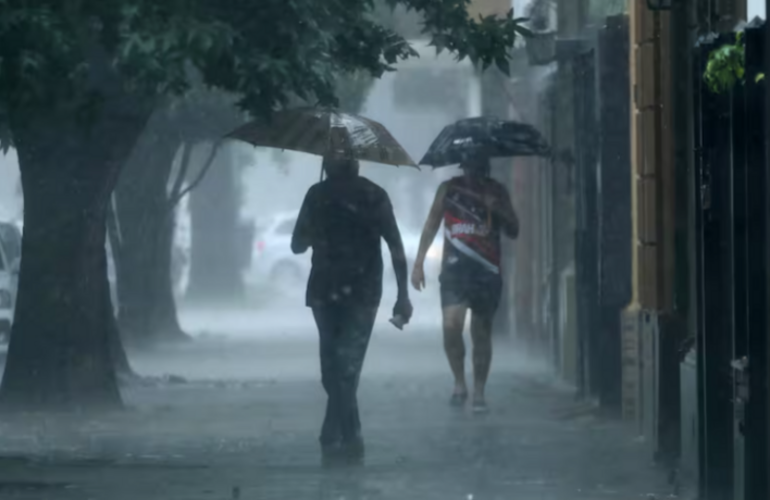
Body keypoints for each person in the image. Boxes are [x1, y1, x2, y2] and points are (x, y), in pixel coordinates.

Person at [291, 157, 413, 462]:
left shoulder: (326, 195)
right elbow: (395, 247)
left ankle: (339, 432)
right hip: (352, 292)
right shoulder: (361, 196)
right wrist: (402, 294)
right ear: (355, 163)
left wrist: (403, 295)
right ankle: (347, 428)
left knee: (335, 368)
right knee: (343, 368)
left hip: (341, 292)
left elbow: (297, 244)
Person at [411, 157, 518, 413]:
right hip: (454, 271)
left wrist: (499, 210)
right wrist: (419, 263)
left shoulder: (497, 191)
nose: (474, 170)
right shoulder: (448, 189)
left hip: (486, 271)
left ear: (486, 166)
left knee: (481, 333)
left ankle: (479, 390)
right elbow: (431, 225)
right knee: (451, 326)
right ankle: (459, 381)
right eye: (470, 164)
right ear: (464, 166)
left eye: (479, 164)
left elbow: (514, 229)